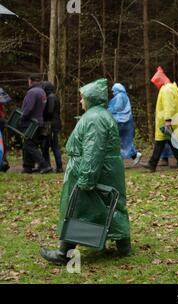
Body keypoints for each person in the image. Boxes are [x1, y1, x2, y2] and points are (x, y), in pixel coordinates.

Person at [40, 79, 132, 264]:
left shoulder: (94, 118)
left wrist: (86, 178)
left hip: (97, 170)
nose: (81, 101)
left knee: (78, 208)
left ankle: (64, 253)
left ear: (91, 98)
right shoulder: (99, 115)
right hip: (106, 169)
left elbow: (93, 150)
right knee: (109, 206)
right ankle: (124, 247)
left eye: (83, 98)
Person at [144, 67, 178, 172]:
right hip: (169, 122)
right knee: (170, 142)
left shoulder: (166, 89)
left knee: (161, 142)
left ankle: (152, 164)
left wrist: (167, 121)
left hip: (166, 122)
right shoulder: (171, 88)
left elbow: (168, 106)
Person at [20, 74, 52, 174]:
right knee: (30, 143)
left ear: (30, 81)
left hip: (30, 123)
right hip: (39, 122)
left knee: (29, 145)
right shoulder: (42, 92)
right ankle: (28, 167)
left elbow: (28, 108)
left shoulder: (32, 92)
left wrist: (22, 117)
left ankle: (44, 165)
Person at [107, 83, 142, 166]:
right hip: (126, 122)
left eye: (113, 90)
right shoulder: (124, 96)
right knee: (124, 141)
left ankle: (118, 162)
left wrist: (108, 111)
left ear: (117, 89)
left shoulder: (119, 96)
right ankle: (134, 155)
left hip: (120, 122)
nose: (112, 93)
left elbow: (117, 107)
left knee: (115, 140)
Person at [41, 81, 63, 172]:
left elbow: (50, 112)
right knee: (45, 146)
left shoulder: (51, 97)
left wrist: (42, 116)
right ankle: (48, 166)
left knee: (54, 146)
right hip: (53, 124)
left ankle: (59, 167)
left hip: (52, 125)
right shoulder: (53, 97)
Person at [0, 87, 11, 172]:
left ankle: (3, 163)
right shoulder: (2, 94)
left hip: (1, 121)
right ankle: (4, 162)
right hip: (2, 120)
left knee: (2, 142)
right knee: (2, 142)